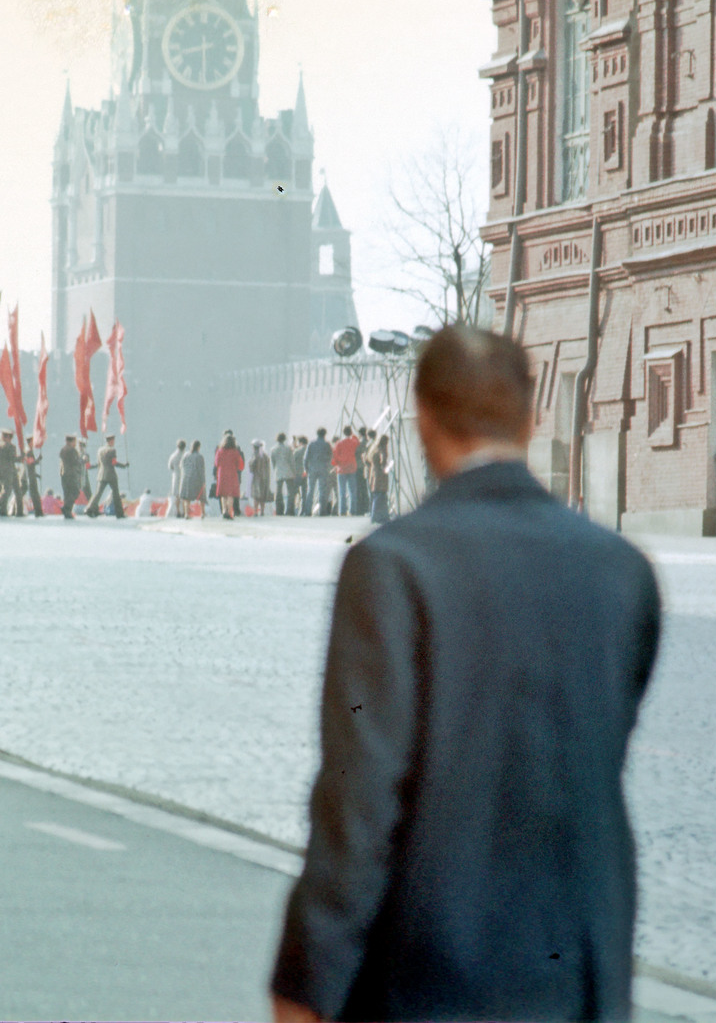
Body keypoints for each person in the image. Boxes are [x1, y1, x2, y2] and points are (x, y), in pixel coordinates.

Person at [270, 326, 661, 1023]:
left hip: (427, 976)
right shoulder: (622, 572)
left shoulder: (392, 567)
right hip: (575, 977)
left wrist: (307, 978)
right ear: (531, 417)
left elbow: (360, 791)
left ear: (422, 417)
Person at [86, 435, 127, 518]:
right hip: (111, 474)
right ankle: (120, 513)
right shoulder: (112, 450)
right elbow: (114, 462)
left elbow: (99, 463)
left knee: (98, 493)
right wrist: (124, 465)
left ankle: (89, 509)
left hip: (101, 474)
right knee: (116, 494)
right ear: (111, 441)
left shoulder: (100, 450)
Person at [0, 430, 20, 517]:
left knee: (1, 490)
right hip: (8, 471)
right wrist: (21, 458)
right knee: (7, 490)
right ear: (9, 437)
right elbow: (13, 459)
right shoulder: (11, 447)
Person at [331, 425, 360, 516]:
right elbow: (357, 441)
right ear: (350, 432)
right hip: (351, 467)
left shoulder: (339, 443)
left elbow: (334, 455)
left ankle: (342, 511)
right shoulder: (353, 441)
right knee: (352, 491)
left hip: (341, 469)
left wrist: (336, 464)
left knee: (342, 491)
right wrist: (354, 436)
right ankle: (352, 510)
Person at [214, 433, 244, 519]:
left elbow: (216, 463)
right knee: (230, 494)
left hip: (222, 474)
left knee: (223, 494)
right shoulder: (235, 452)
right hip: (232, 474)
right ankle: (229, 511)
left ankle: (224, 510)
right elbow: (240, 465)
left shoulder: (219, 451)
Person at [364, 433, 392, 525]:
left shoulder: (373, 449)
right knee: (381, 496)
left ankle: (378, 516)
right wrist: (387, 467)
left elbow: (366, 460)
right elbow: (383, 461)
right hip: (380, 475)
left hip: (373, 472)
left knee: (376, 495)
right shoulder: (382, 449)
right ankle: (378, 516)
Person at [306, 428, 333, 516]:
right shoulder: (327, 444)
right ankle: (322, 511)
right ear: (325, 434)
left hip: (312, 469)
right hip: (323, 469)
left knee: (310, 490)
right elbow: (330, 456)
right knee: (322, 491)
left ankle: (307, 511)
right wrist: (327, 467)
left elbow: (306, 458)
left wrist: (307, 469)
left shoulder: (311, 444)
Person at [57, 435, 83, 520]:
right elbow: (76, 462)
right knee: (75, 492)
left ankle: (67, 511)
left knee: (67, 493)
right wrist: (83, 460)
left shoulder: (63, 450)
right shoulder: (72, 450)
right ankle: (66, 508)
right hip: (71, 474)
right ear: (71, 441)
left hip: (63, 473)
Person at [180, 440, 207, 519]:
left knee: (187, 498)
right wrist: (203, 482)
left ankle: (186, 514)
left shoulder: (185, 455)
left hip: (186, 478)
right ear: (198, 447)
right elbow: (201, 470)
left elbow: (181, 466)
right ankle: (203, 513)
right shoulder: (199, 456)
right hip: (196, 478)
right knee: (202, 496)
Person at [270, 432, 296, 515]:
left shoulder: (273, 449)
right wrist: (294, 472)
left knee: (278, 492)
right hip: (288, 472)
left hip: (278, 472)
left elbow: (273, 462)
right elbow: (291, 461)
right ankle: (290, 510)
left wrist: (275, 470)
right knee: (290, 492)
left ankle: (279, 510)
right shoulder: (288, 448)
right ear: (284, 439)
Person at [21, 436, 44, 517]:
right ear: (30, 442)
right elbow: (31, 463)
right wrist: (38, 459)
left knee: (22, 493)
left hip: (29, 476)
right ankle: (38, 512)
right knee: (35, 495)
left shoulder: (28, 451)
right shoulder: (29, 452)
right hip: (29, 477)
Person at [249, 439, 273, 515]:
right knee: (263, 495)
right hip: (265, 478)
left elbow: (251, 467)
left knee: (256, 496)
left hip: (257, 478)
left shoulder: (255, 455)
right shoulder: (265, 455)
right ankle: (262, 511)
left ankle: (256, 511)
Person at [167, 439, 187, 517]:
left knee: (177, 495)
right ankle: (185, 512)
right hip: (184, 476)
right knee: (185, 495)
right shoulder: (186, 455)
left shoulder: (173, 455)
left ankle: (178, 511)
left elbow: (170, 466)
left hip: (176, 476)